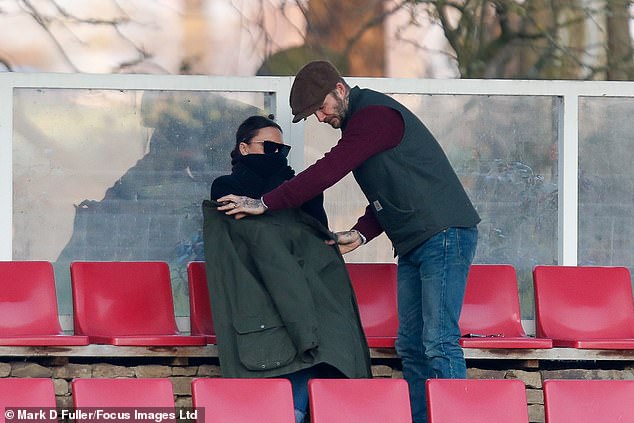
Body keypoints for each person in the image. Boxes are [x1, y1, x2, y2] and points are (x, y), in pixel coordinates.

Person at [217, 62, 480, 423]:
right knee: (412, 346)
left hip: (444, 234)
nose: (321, 118)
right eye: (314, 114)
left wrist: (264, 202)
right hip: (415, 241)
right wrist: (360, 233)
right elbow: (393, 190)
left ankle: (456, 417)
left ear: (340, 90)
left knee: (438, 340)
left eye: (321, 107)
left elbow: (329, 170)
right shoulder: (363, 128)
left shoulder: (375, 116)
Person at [204, 114, 371, 423]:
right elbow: (247, 238)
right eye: (270, 147)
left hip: (307, 289)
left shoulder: (302, 187)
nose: (278, 156)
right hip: (258, 291)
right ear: (244, 148)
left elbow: (313, 234)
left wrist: (280, 195)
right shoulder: (226, 186)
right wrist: (282, 194)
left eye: (283, 150)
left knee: (324, 359)